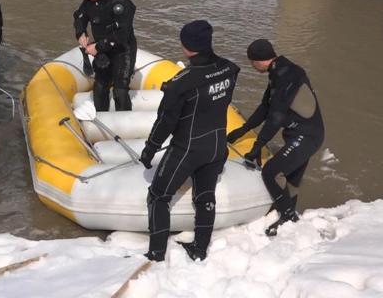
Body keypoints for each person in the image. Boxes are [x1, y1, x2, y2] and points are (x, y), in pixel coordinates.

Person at [139, 20, 240, 262]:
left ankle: (156, 253)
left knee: (158, 196)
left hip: (188, 148)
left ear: (186, 46)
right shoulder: (229, 69)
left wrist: (150, 149)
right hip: (217, 144)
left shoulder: (181, 83)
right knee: (206, 196)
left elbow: (165, 121)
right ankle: (200, 249)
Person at [226, 39, 324, 236]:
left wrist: (258, 144)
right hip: (301, 134)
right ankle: (288, 214)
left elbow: (276, 117)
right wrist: (244, 129)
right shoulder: (278, 72)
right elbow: (265, 107)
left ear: (259, 60)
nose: (252, 67)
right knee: (291, 177)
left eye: (251, 62)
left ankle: (288, 216)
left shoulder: (286, 76)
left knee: (271, 171)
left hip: (307, 135)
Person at [73, 0, 137, 112]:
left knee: (120, 91)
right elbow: (79, 16)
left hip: (122, 50)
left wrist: (96, 47)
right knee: (100, 87)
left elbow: (121, 35)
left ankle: (124, 125)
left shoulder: (121, 3)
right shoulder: (89, 0)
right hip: (103, 49)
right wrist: (81, 32)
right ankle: (101, 119)